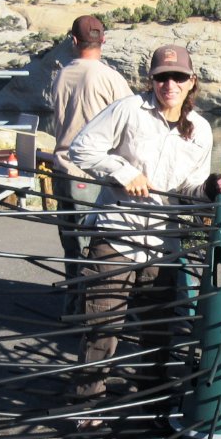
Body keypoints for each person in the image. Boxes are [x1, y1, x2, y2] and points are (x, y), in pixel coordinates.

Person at [67, 44, 221, 414]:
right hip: (115, 234)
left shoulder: (201, 130)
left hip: (163, 242)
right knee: (102, 323)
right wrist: (123, 172)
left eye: (177, 77)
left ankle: (152, 399)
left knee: (159, 329)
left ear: (192, 81)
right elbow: (82, 149)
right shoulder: (128, 109)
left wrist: (210, 187)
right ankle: (88, 405)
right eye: (161, 77)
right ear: (151, 80)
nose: (169, 84)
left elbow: (188, 188)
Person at [50, 15, 132, 282]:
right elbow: (133, 122)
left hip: (62, 169)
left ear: (74, 40)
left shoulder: (62, 75)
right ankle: (90, 306)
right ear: (103, 40)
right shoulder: (110, 78)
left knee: (71, 243)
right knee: (94, 244)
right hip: (92, 174)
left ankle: (73, 300)